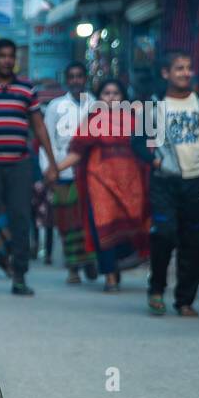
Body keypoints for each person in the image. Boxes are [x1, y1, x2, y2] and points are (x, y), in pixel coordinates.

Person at [0, 38, 59, 296]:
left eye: (10, 56)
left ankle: (19, 276)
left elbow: (38, 126)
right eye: (2, 56)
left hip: (19, 163)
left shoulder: (26, 88)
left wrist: (51, 162)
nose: (7, 60)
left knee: (21, 219)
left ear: (15, 59)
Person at [132, 51, 199, 316]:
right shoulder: (154, 106)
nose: (186, 73)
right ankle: (157, 287)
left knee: (193, 241)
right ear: (165, 73)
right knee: (164, 233)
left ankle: (185, 299)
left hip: (198, 182)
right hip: (165, 182)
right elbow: (137, 142)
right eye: (179, 68)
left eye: (188, 67)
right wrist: (156, 161)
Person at [54, 79, 149, 292]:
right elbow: (76, 153)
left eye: (116, 93)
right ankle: (110, 277)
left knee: (132, 225)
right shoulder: (93, 120)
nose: (111, 97)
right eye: (106, 93)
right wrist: (56, 169)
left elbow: (147, 152)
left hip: (131, 185)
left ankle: (118, 266)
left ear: (123, 96)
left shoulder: (135, 120)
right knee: (103, 228)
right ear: (99, 97)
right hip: (99, 184)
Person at [44, 62, 97, 283]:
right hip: (63, 172)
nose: (76, 80)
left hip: (92, 173)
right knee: (68, 223)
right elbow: (47, 140)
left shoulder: (97, 104)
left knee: (88, 221)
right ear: (67, 79)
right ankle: (73, 268)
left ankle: (91, 261)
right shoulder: (56, 106)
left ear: (85, 78)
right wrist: (50, 171)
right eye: (72, 76)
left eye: (79, 76)